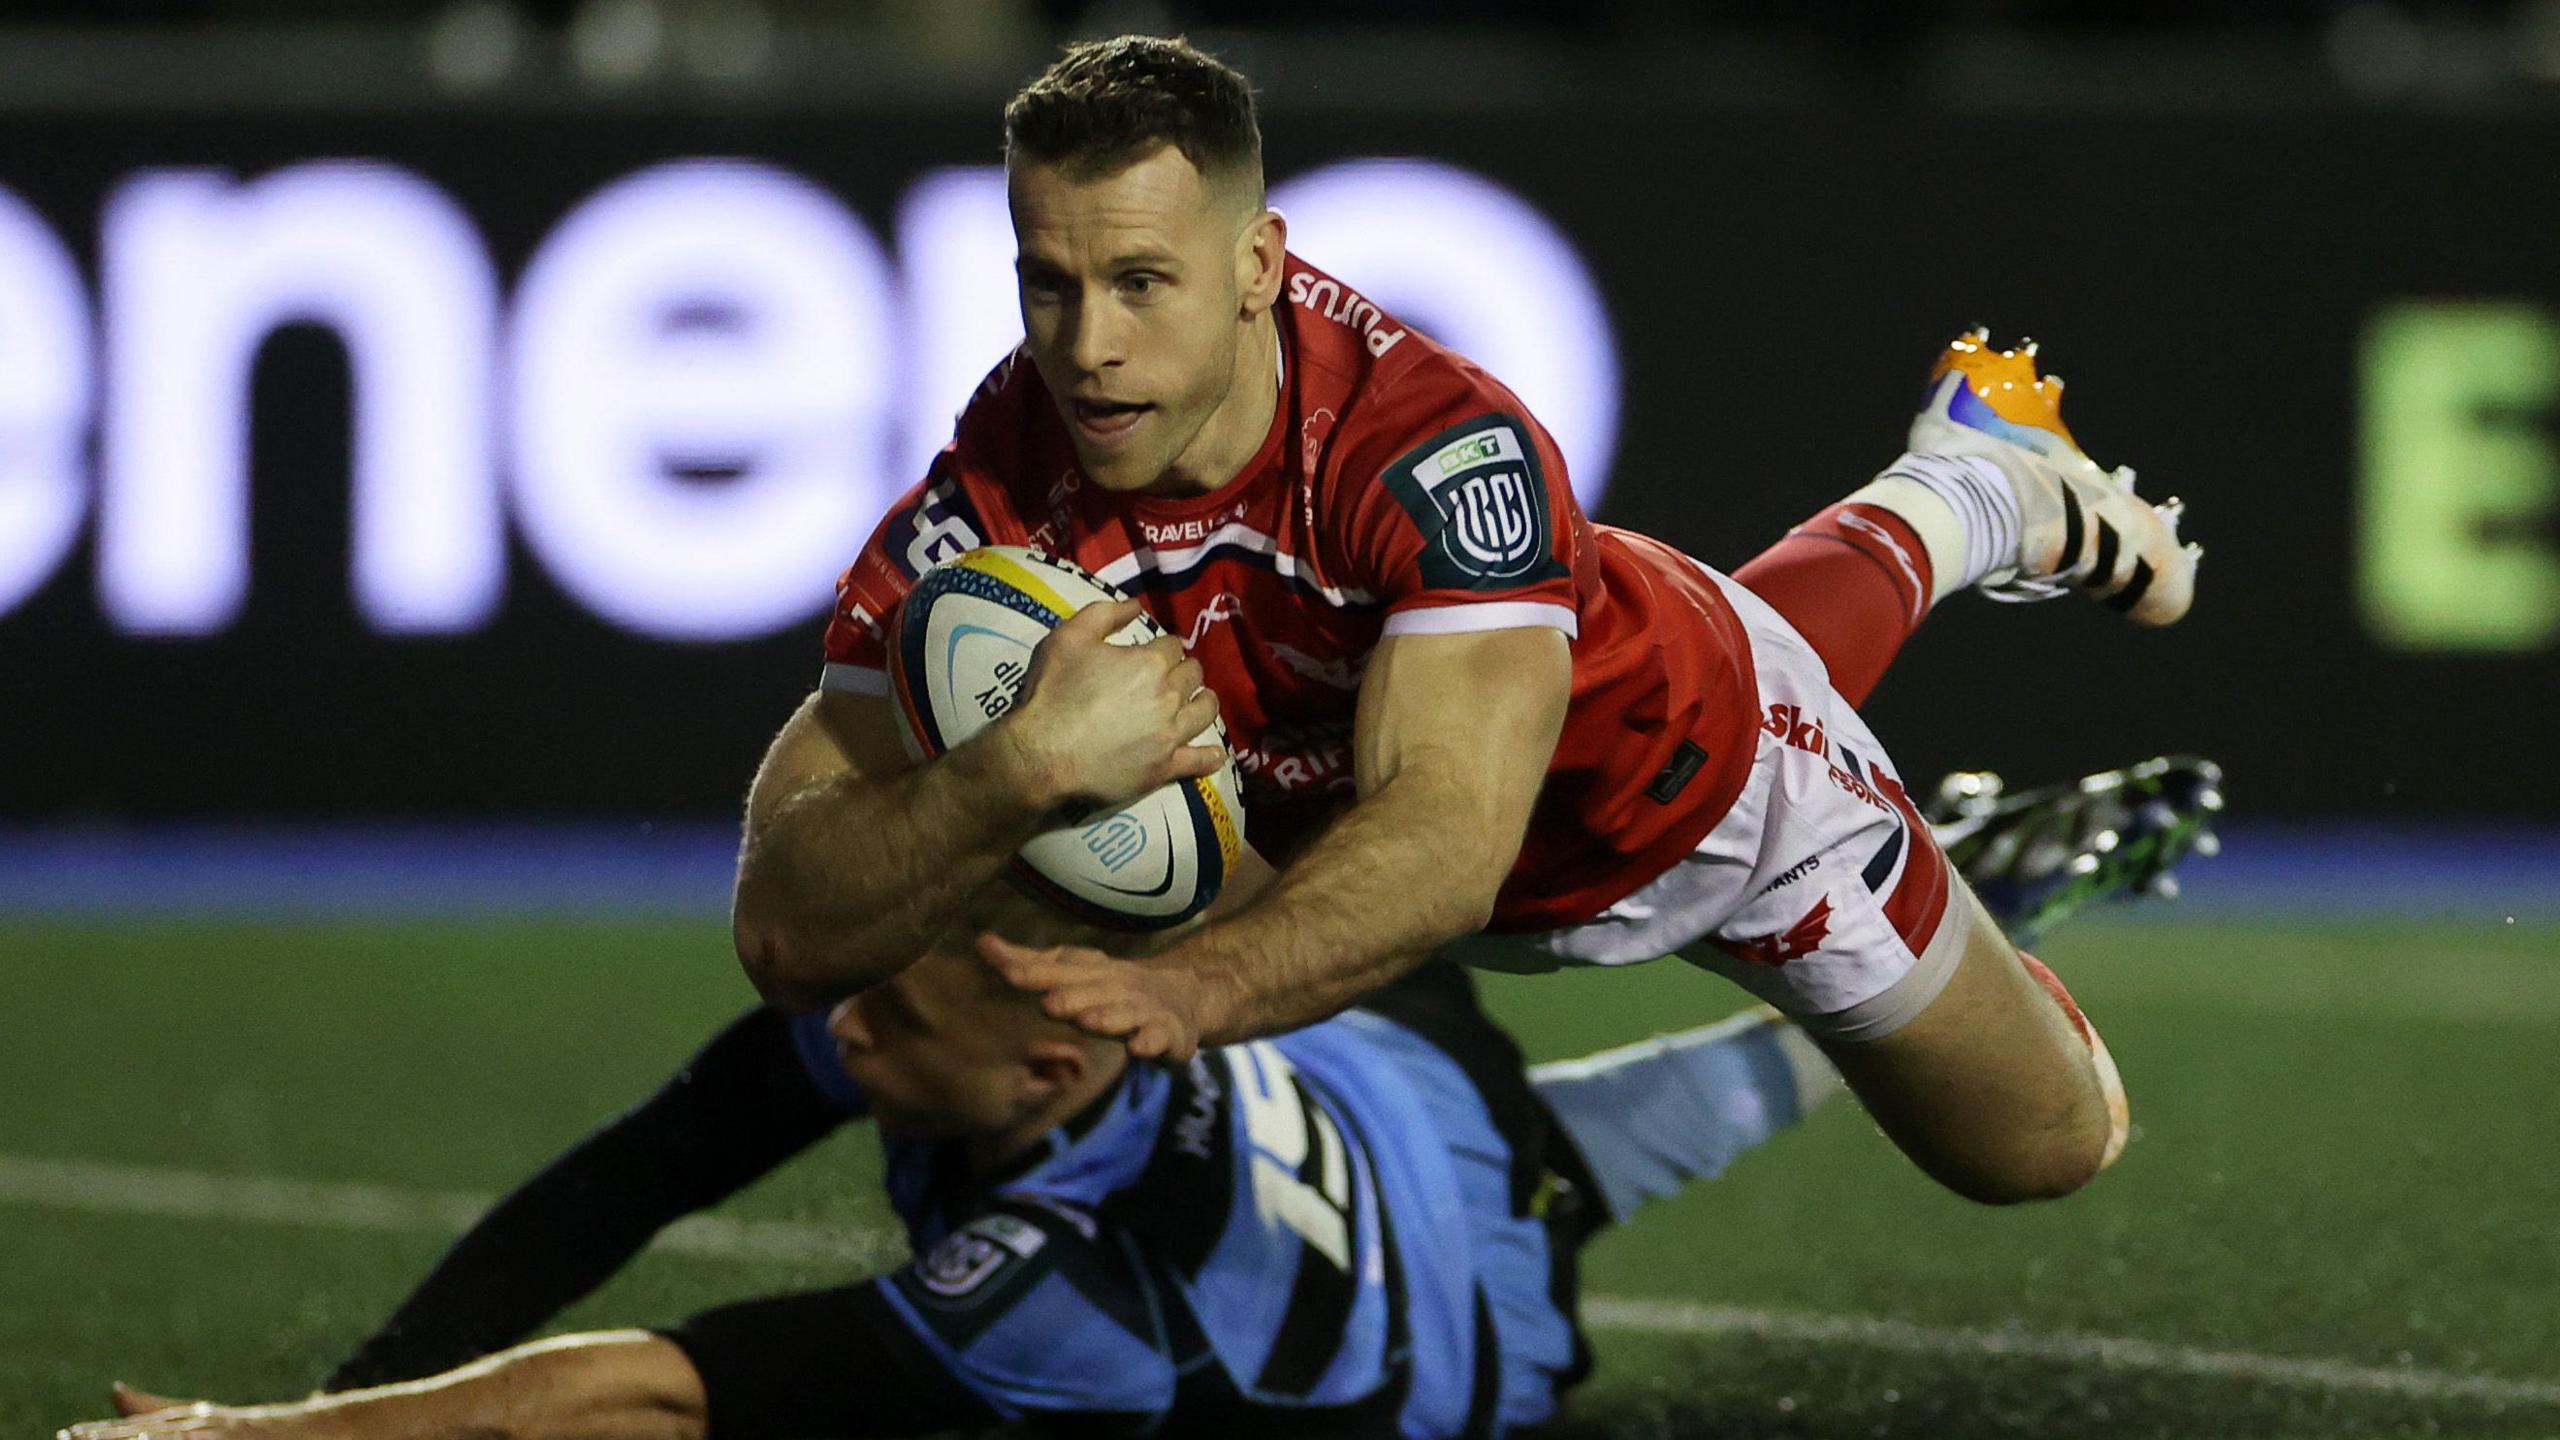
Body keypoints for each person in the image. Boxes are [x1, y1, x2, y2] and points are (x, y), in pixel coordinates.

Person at [728, 34, 2201, 1210]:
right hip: (1379, 808)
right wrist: (1004, 777)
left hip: (1704, 799)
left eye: (1140, 282)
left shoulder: (1431, 447)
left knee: (2042, 1152)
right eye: (1047, 286)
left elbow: (1444, 849)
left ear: (1258, 266)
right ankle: (1954, 483)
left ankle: (1970, 497)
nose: (1089, 346)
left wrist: (1186, 990)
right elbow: (788, 929)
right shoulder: (995, 488)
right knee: (977, 837)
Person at [58, 759, 2220, 1440]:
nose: (835, 1041)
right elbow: (643, 1160)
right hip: (1431, 1127)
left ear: (1061, 1043)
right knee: (1599, 1063)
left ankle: (1899, 873)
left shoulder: (1065, 1298)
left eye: (872, 1031)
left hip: (1428, 1362)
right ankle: (1924, 879)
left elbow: (645, 1394)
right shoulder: (1054, 988)